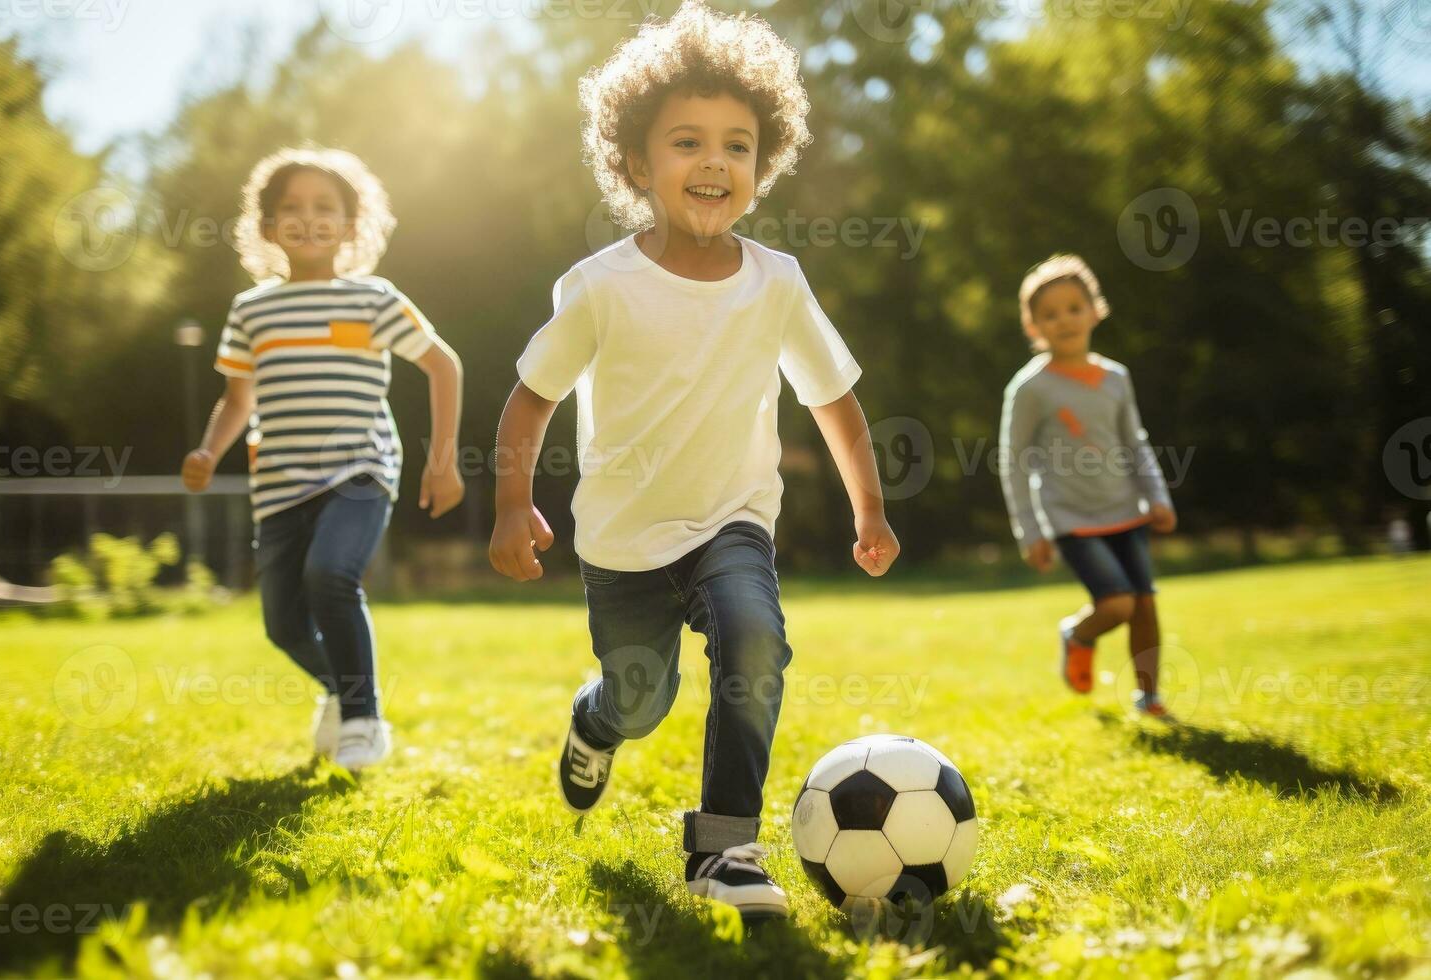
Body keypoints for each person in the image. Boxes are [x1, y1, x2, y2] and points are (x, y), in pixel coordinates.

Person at [487, 1, 898, 919]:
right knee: (644, 699)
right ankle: (597, 722)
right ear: (635, 162)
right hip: (623, 542)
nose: (715, 162)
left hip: (731, 520)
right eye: (686, 142)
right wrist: (514, 505)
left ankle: (725, 850)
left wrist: (869, 510)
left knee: (755, 643)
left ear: (764, 163)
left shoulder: (777, 282)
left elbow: (833, 398)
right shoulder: (600, 287)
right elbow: (530, 398)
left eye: (738, 146)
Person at [182, 147, 464, 769]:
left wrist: (441, 460)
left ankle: (363, 721)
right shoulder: (251, 309)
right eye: (291, 208)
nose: (308, 219)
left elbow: (443, 364)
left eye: (324, 207)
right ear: (266, 226)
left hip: (358, 472)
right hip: (278, 487)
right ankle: (343, 690)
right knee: (282, 626)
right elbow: (237, 398)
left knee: (331, 575)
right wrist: (209, 448)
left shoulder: (373, 299)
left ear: (350, 223)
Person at [998, 254, 1177, 719]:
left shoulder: (1116, 377)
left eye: (1074, 307)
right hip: (1070, 517)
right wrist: (1030, 532)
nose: (1064, 320)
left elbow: (1135, 443)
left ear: (1095, 310)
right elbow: (1013, 462)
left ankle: (1150, 698)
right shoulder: (1030, 388)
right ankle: (1077, 634)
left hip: (1127, 508)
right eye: (1050, 314)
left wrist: (1157, 497)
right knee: (1116, 604)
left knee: (1144, 606)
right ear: (1033, 326)